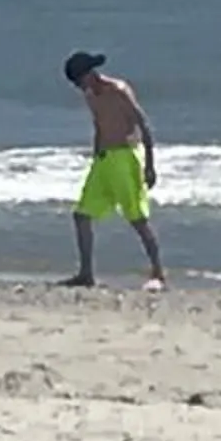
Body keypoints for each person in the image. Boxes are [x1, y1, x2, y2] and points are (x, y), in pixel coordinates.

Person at [62, 50, 164, 290]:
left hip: (125, 157)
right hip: (104, 159)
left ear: (90, 74)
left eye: (80, 80)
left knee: (137, 218)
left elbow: (143, 125)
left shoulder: (118, 91)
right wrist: (96, 155)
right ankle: (86, 273)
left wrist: (150, 165)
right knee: (81, 215)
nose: (80, 87)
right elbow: (99, 125)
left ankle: (158, 272)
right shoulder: (91, 96)